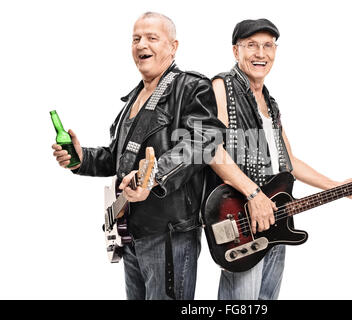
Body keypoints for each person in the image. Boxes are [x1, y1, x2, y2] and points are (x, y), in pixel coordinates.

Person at [51, 12, 228, 300]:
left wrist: (155, 175)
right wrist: (81, 158)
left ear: (173, 46)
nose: (141, 44)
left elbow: (204, 141)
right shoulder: (132, 101)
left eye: (151, 37)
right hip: (132, 232)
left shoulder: (192, 87)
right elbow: (116, 158)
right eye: (136, 38)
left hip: (168, 235)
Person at [208, 18, 352, 300]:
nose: (261, 53)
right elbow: (210, 149)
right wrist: (255, 195)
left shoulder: (270, 103)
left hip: (275, 220)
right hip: (242, 219)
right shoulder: (222, 86)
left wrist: (337, 186)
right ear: (236, 51)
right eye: (252, 45)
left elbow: (289, 162)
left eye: (268, 46)